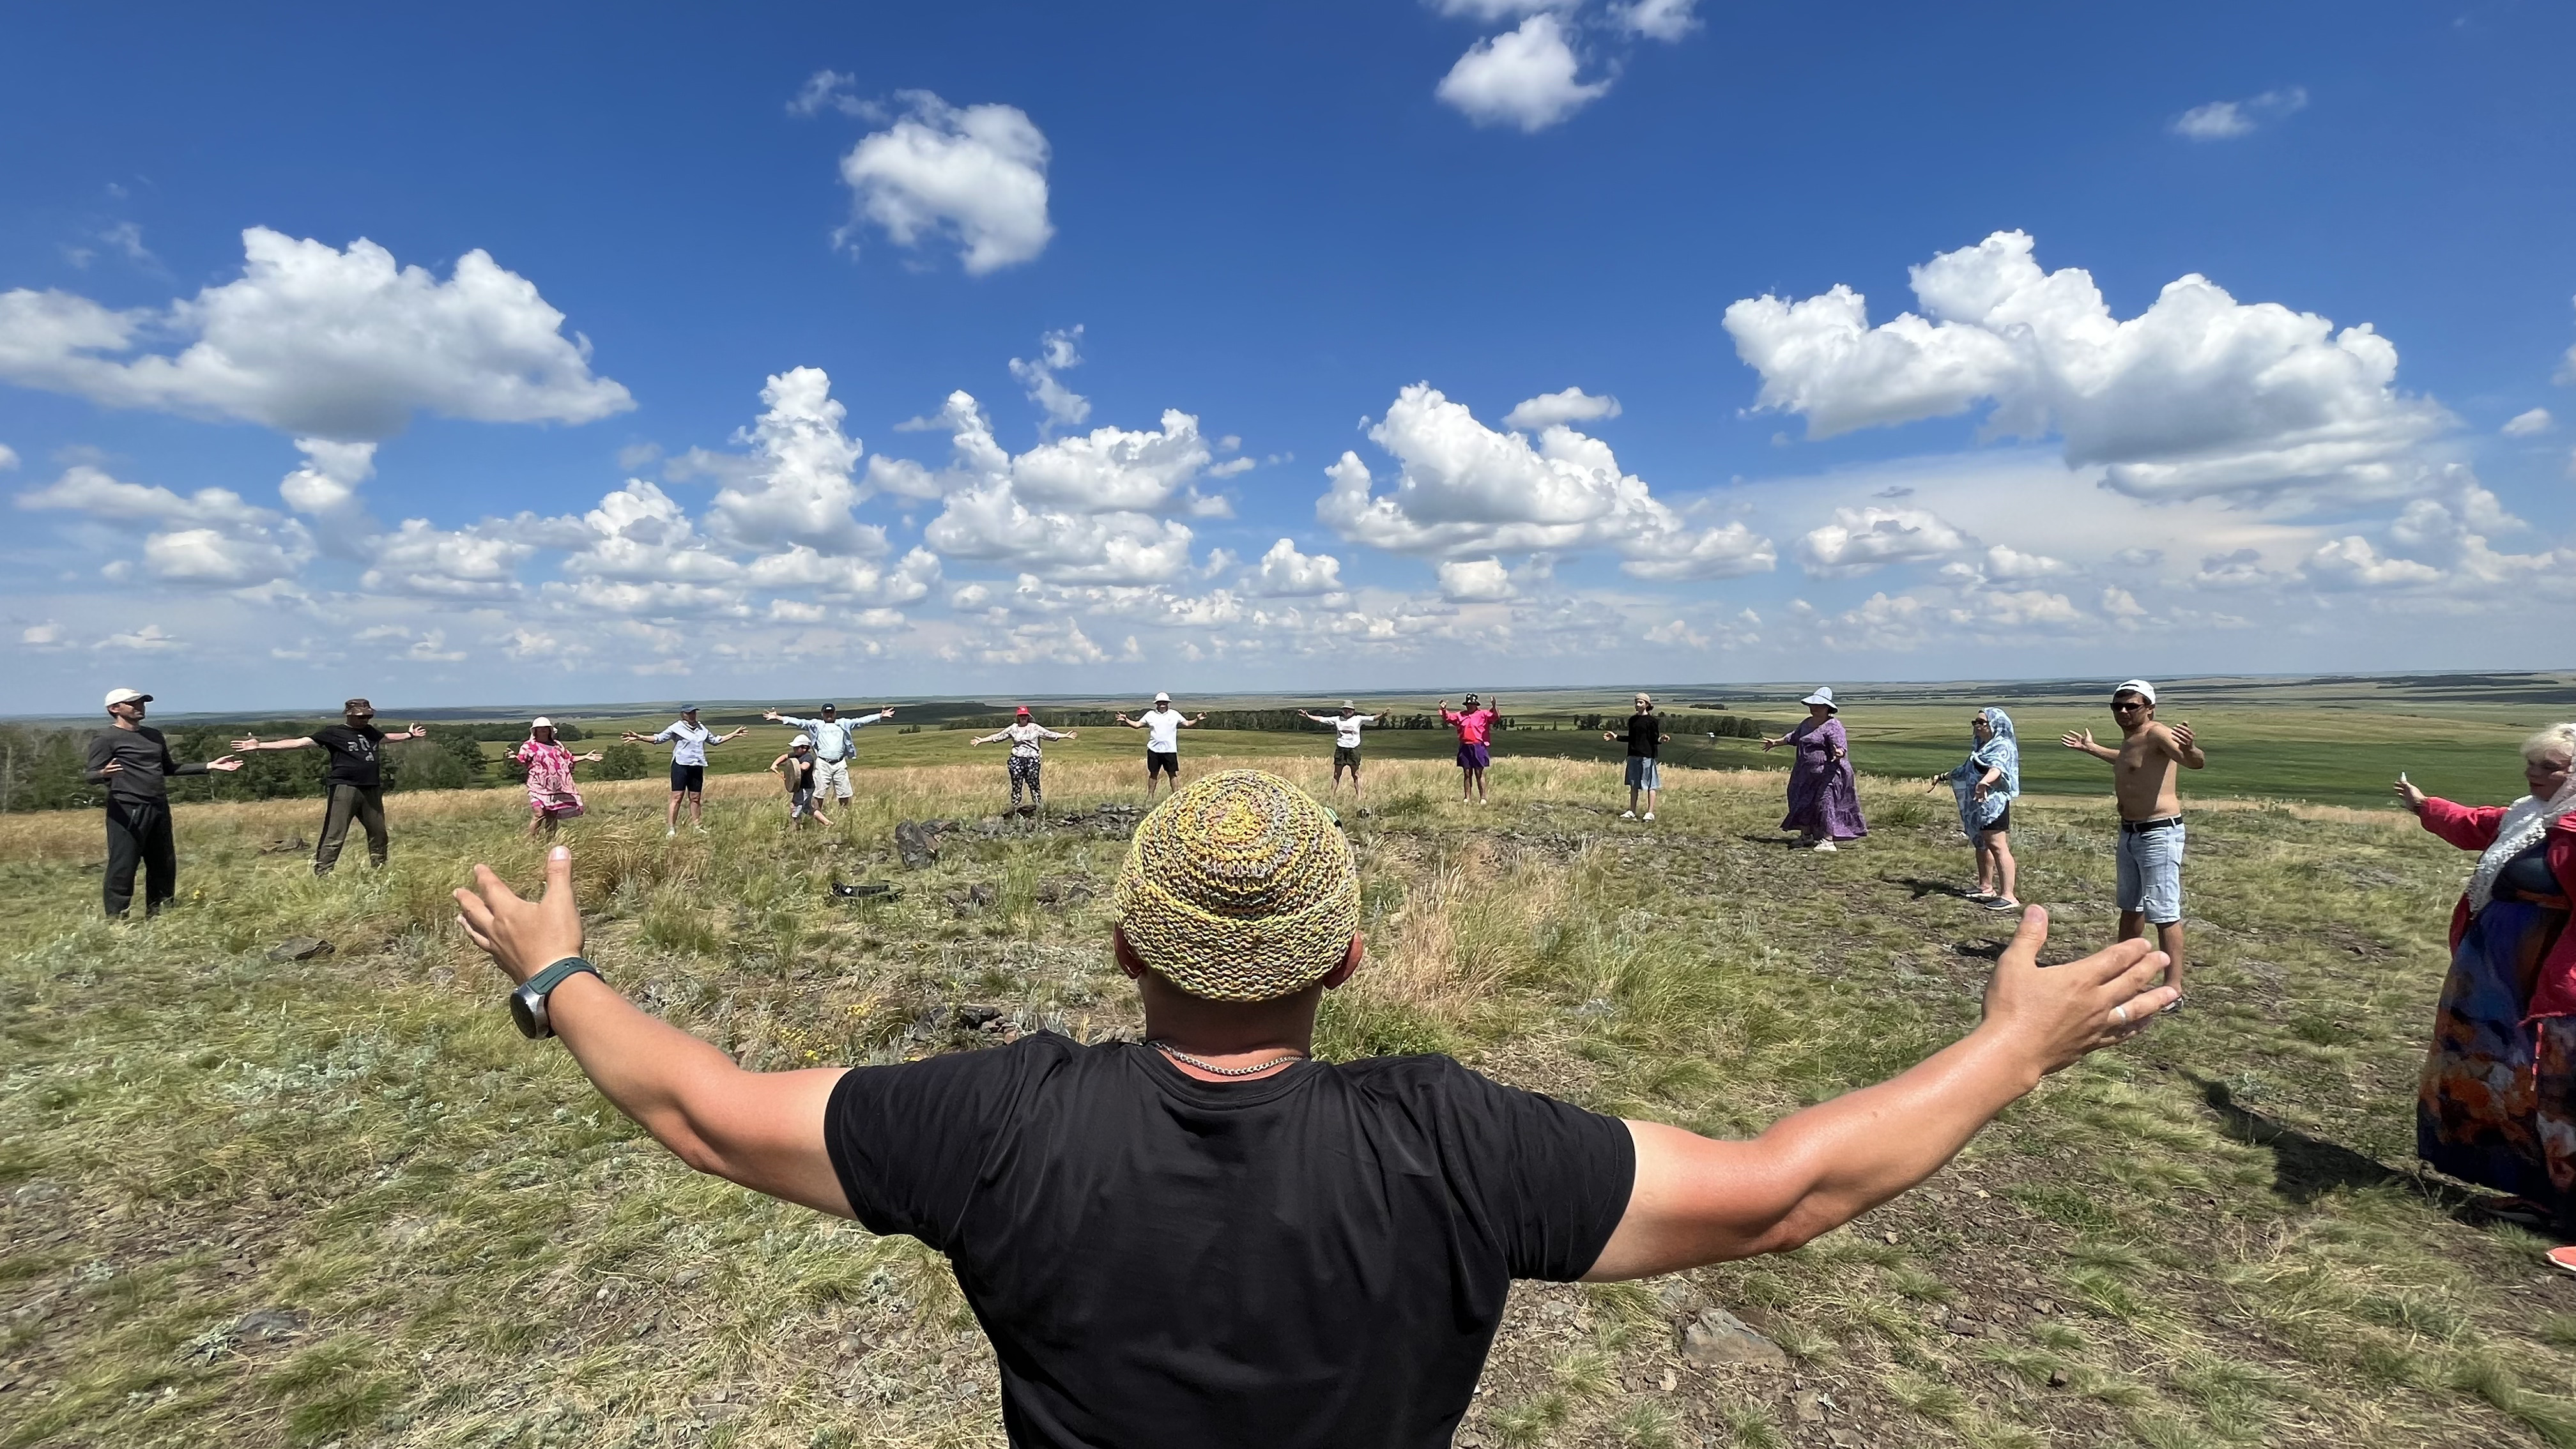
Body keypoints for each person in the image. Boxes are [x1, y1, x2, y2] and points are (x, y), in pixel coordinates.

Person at [450, 769, 2174, 1449]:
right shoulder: (1452, 1142)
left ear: (1124, 944)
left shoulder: (994, 1121)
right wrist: (2011, 1049)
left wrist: (557, 970)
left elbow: (702, 1108)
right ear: (1347, 954)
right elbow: (1784, 1189)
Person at [2393, 724, 2576, 1255]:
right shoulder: (2530, 814)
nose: (2533, 773)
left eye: (2549, 767)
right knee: (2501, 1072)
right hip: (2498, 972)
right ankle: (2537, 1190)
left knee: (2556, 1085)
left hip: (2550, 976)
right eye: (2532, 763)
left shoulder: (2571, 828)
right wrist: (2424, 806)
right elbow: (2477, 824)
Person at [2061, 679, 2204, 1000]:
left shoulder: (2156, 733)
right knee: (2131, 907)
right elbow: (2128, 761)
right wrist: (2092, 749)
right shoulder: (2132, 739)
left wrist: (2191, 749)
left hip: (2158, 832)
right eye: (2118, 706)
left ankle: (2173, 988)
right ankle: (2125, 978)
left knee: (2164, 912)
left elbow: (2193, 762)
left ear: (2150, 709)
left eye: (2132, 706)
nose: (2124, 712)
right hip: (2130, 832)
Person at [83, 686, 243, 917]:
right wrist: (103, 773)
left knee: (164, 863)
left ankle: (161, 913)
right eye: (133, 703)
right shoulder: (106, 738)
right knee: (124, 864)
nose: (140, 707)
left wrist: (209, 766)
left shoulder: (154, 736)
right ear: (114, 709)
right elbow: (90, 776)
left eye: (142, 703)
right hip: (128, 807)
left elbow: (169, 768)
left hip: (158, 805)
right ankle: (117, 918)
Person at [228, 698, 428, 875]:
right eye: (361, 716)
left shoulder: (370, 732)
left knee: (379, 833)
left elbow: (385, 738)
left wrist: (409, 735)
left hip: (371, 788)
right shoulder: (334, 733)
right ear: (349, 715)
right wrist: (260, 746)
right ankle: (323, 872)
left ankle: (380, 870)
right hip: (345, 788)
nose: (365, 720)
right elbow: (299, 743)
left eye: (368, 716)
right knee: (335, 833)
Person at [1929, 707, 2021, 911]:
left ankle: (2009, 896)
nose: (1977, 726)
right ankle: (1985, 887)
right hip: (1978, 805)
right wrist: (1944, 776)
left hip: (1994, 806)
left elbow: (1997, 769)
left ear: (1996, 725)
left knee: (1998, 846)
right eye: (1975, 722)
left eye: (1982, 723)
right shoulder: (1981, 747)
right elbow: (1966, 769)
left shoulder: (2002, 746)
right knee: (1982, 844)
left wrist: (1984, 782)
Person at [1763, 688, 1865, 850]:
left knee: (1825, 803)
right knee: (1802, 801)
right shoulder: (1806, 723)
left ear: (1827, 708)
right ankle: (1806, 836)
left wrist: (1839, 753)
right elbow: (1793, 737)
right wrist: (1775, 743)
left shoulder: (1834, 725)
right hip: (1804, 773)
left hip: (1829, 774)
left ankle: (1828, 840)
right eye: (1812, 704)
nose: (1814, 708)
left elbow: (1840, 746)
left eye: (1819, 705)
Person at [623, 707, 747, 836]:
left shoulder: (701, 728)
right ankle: (671, 829)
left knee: (695, 798)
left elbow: (715, 741)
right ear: (683, 715)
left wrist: (734, 734)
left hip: (697, 765)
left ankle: (697, 826)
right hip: (680, 765)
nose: (692, 715)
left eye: (694, 713)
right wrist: (640, 737)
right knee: (677, 797)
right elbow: (658, 739)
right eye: (689, 713)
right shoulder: (676, 727)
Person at [762, 702, 896, 808]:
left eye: (831, 712)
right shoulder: (816, 725)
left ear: (835, 713)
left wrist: (880, 716)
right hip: (823, 763)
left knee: (844, 793)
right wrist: (778, 717)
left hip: (840, 763)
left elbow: (860, 721)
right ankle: (817, 815)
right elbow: (799, 722)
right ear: (822, 714)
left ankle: (845, 817)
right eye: (826, 712)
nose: (829, 715)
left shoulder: (843, 724)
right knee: (819, 793)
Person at [972, 707, 1077, 818]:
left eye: (1025, 716)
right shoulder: (1013, 728)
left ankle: (1038, 806)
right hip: (1017, 758)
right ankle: (1015, 808)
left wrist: (1065, 736)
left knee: (1033, 781)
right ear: (1018, 717)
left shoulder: (1035, 728)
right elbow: (998, 736)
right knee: (1016, 782)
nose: (1023, 718)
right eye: (1021, 716)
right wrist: (982, 740)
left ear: (1028, 717)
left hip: (1032, 758)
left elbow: (1050, 735)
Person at [514, 718, 603, 839]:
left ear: (550, 730)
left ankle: (549, 841)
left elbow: (569, 758)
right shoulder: (529, 746)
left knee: (552, 815)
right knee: (539, 814)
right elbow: (521, 760)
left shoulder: (557, 745)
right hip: (538, 786)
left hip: (556, 788)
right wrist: (513, 758)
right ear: (535, 731)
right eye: (540, 728)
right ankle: (531, 841)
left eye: (546, 728)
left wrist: (585, 757)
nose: (543, 730)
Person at [1115, 692, 1202, 801]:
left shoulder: (1174, 714)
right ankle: (1150, 797)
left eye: (1164, 702)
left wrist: (1197, 720)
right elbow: (1137, 725)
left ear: (1168, 703)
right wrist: (1126, 720)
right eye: (1160, 702)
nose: (1162, 704)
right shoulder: (1150, 714)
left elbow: (1187, 724)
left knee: (1172, 774)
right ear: (1156, 703)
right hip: (1154, 750)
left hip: (1170, 750)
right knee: (1153, 774)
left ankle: (1177, 797)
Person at [1605, 693, 1671, 822]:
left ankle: (1650, 812)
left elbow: (1653, 739)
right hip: (1633, 755)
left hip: (1647, 756)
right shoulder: (1632, 720)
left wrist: (1661, 739)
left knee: (1650, 784)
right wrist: (1616, 737)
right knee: (1634, 785)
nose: (1638, 705)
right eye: (1636, 702)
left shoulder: (1652, 721)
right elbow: (1632, 738)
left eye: (1641, 702)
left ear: (1647, 705)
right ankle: (1632, 811)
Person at [1298, 701, 1377, 806]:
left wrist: (1383, 715)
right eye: (1345, 709)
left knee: (1355, 774)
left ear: (1353, 711)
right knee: (1336, 774)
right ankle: (1332, 797)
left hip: (1353, 750)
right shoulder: (1337, 719)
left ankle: (1359, 797)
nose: (1347, 711)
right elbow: (1321, 719)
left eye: (1349, 710)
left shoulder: (1358, 719)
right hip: (1341, 749)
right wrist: (1308, 716)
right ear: (1343, 711)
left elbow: (1373, 718)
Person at [1438, 693, 1499, 804]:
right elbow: (1448, 718)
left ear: (1476, 705)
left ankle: (1483, 797)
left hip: (1478, 745)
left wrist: (1494, 706)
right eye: (1468, 704)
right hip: (1465, 745)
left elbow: (1495, 717)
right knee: (1467, 772)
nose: (1470, 706)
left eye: (1472, 704)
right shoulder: (1460, 715)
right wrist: (1443, 710)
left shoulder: (1483, 714)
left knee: (1479, 772)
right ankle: (1467, 798)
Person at [770, 738, 830, 829]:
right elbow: (785, 756)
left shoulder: (808, 757)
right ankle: (828, 823)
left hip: (806, 788)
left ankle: (795, 829)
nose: (794, 749)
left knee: (795, 807)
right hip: (802, 787)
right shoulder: (796, 755)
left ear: (804, 748)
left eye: (796, 747)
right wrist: (775, 764)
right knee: (807, 809)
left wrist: (793, 765)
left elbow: (805, 767)